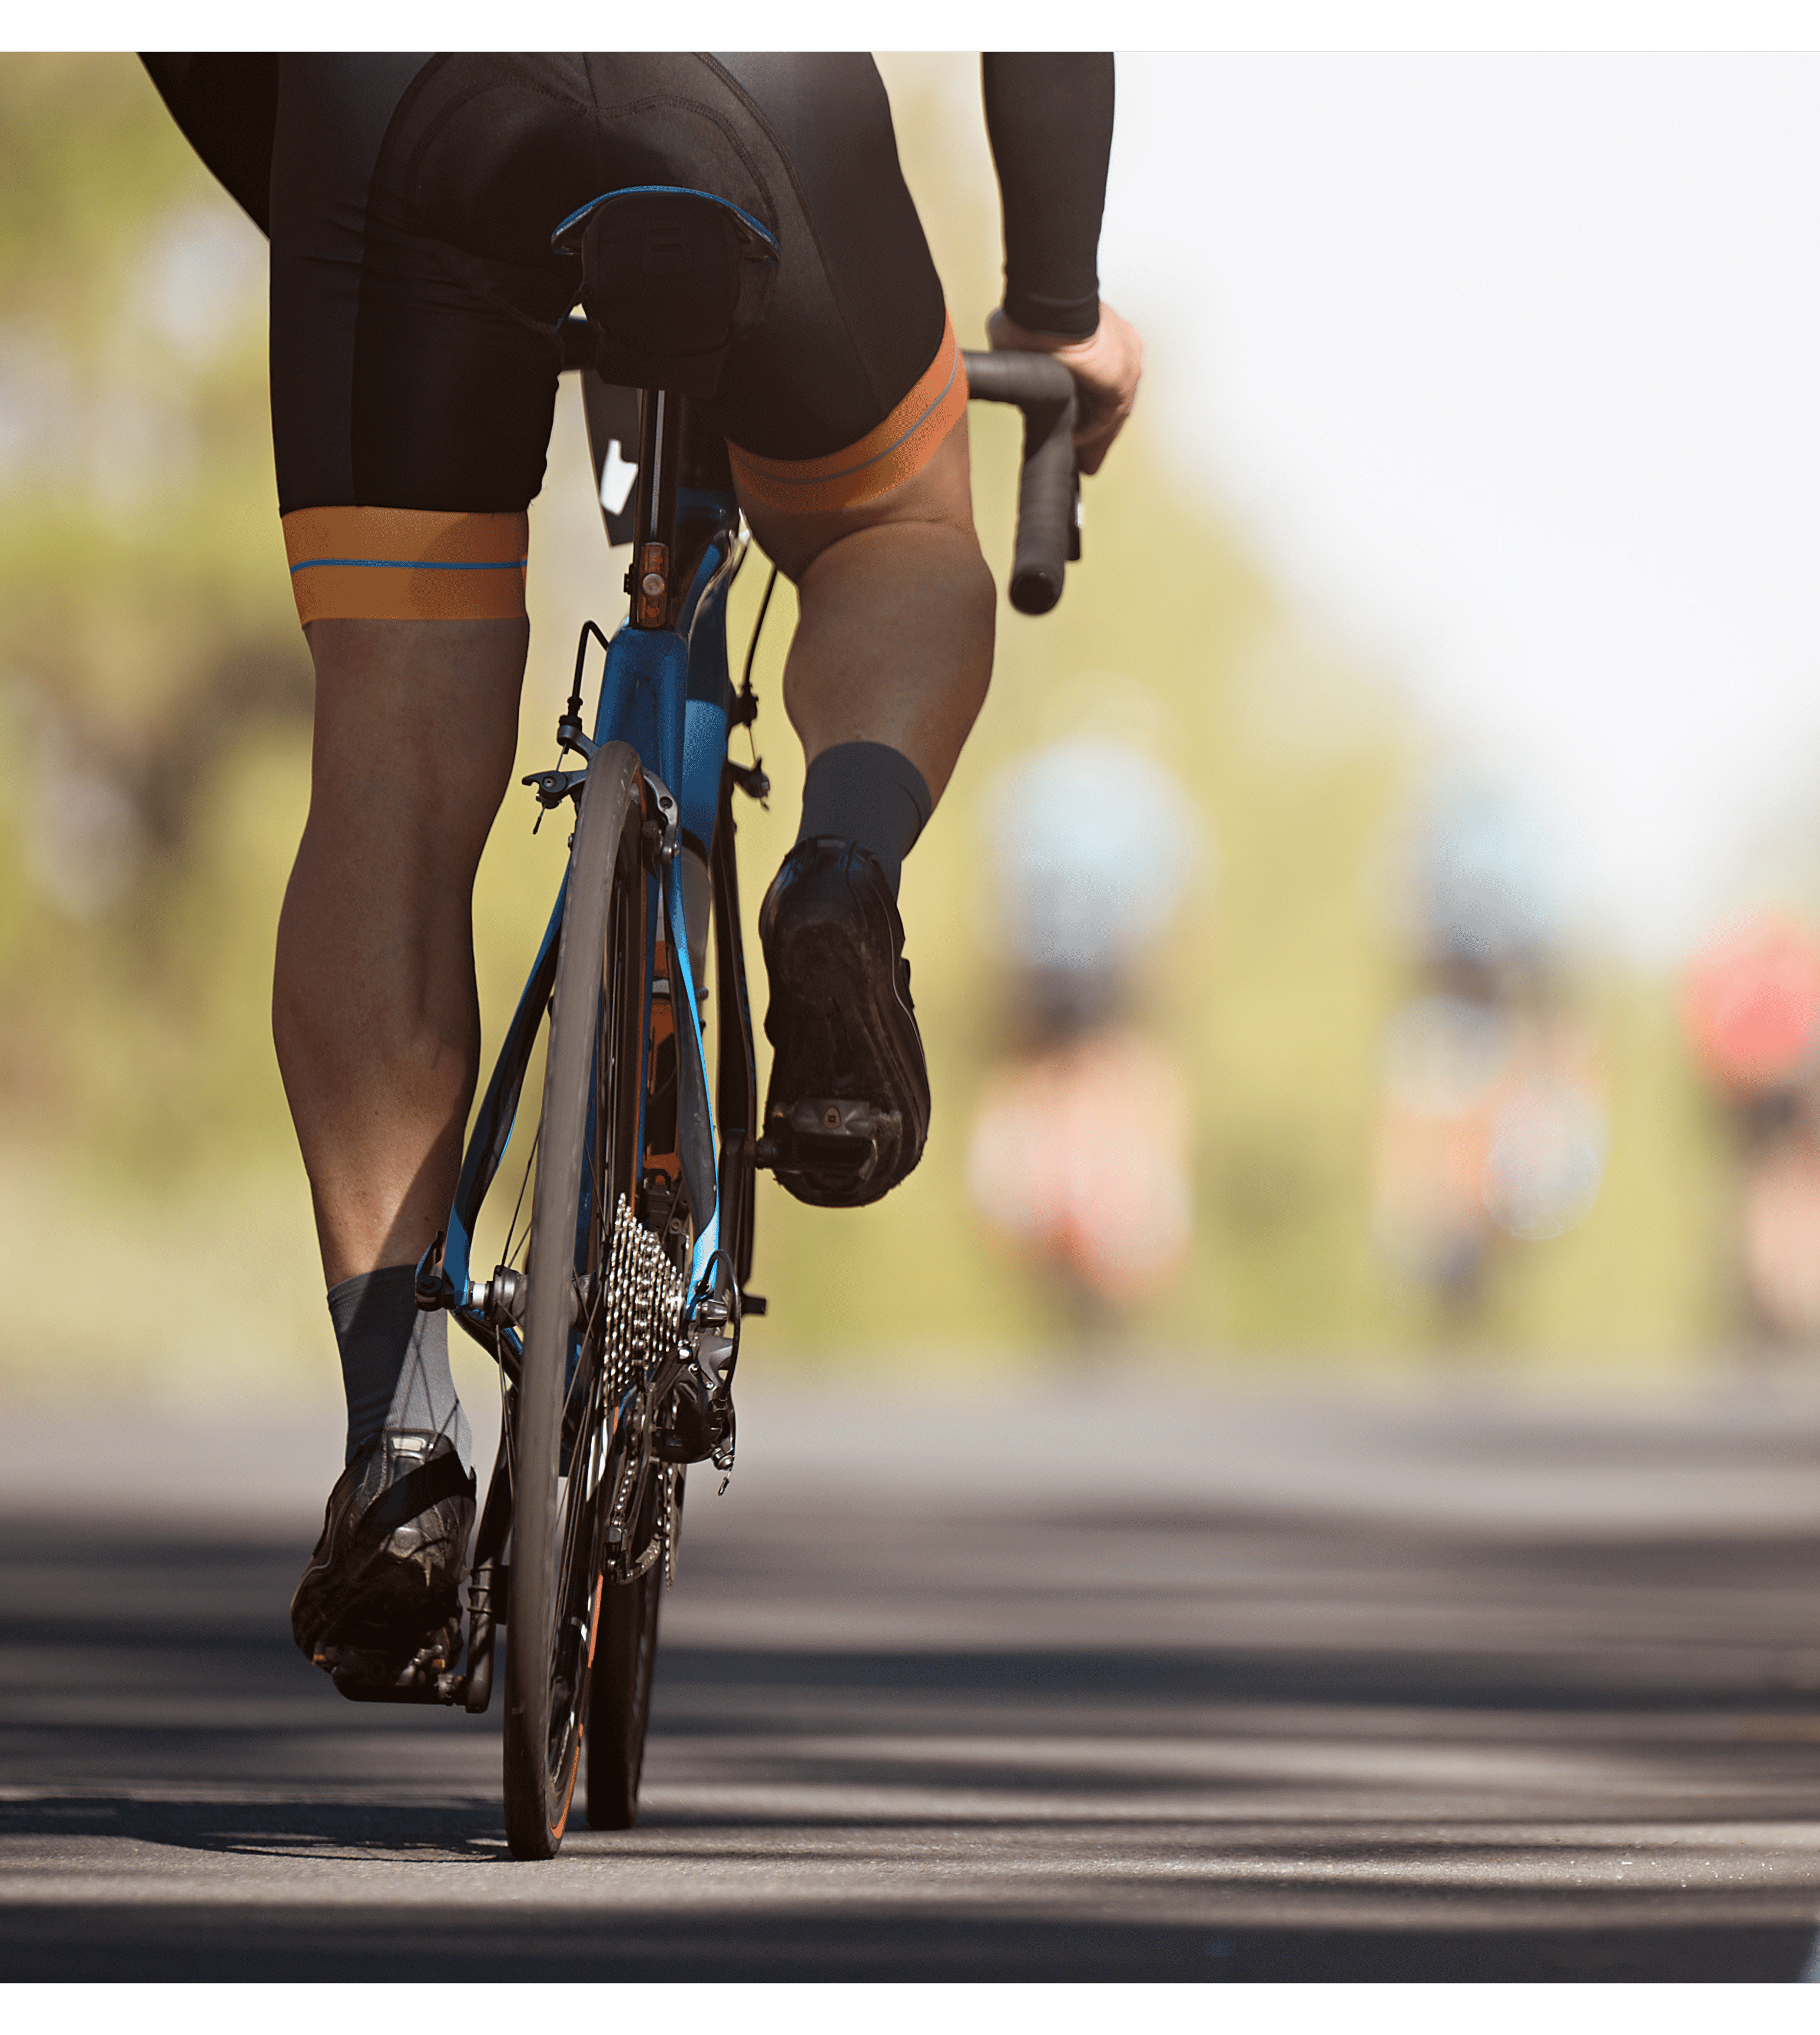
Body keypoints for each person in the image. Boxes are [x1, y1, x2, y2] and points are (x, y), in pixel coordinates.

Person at [138, 52, 1142, 1698]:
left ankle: (397, 1437)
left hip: (393, 117)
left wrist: (325, 196)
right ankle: (839, 869)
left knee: (389, 745)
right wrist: (1054, 297)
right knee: (896, 530)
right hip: (753, 97)